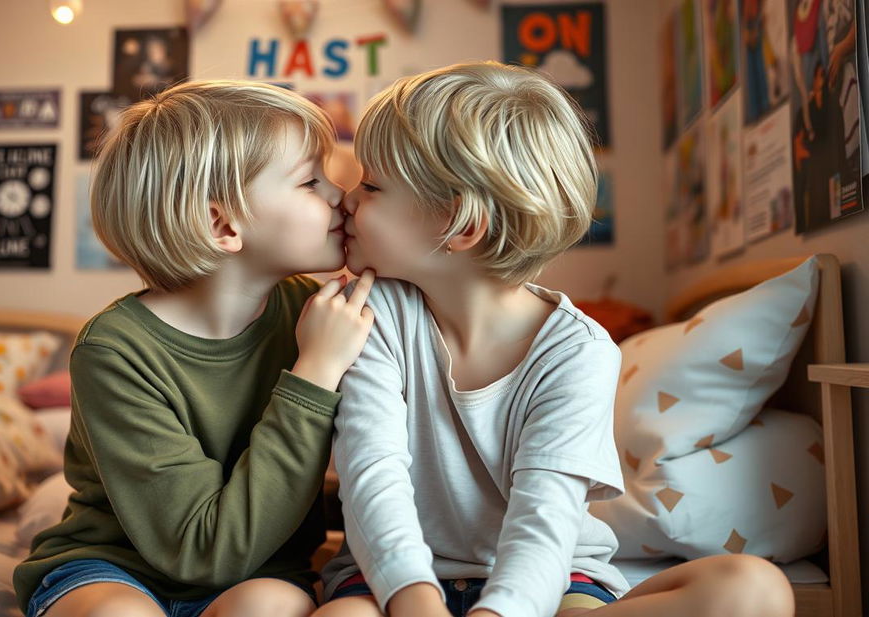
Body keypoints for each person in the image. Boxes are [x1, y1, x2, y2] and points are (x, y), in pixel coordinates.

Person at [315, 62, 794, 617]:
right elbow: (373, 476)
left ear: (461, 226)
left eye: (370, 186)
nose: (345, 200)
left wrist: (501, 612)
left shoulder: (578, 351)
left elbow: (543, 522)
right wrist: (415, 602)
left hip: (549, 578)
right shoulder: (369, 315)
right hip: (393, 581)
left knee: (751, 589)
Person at [13, 80, 376, 617]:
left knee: (271, 606)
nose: (339, 195)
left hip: (261, 570)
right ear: (222, 224)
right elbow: (201, 550)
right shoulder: (114, 350)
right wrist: (316, 370)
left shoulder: (322, 311)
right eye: (310, 181)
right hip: (113, 566)